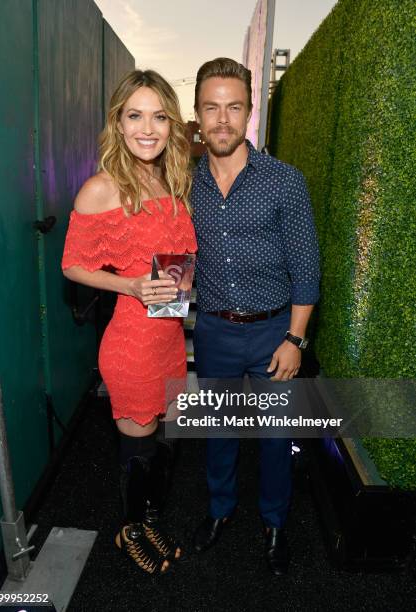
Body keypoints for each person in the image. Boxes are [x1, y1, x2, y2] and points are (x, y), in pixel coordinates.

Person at [61, 70, 197, 575]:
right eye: (135, 115)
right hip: (131, 342)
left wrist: (179, 285)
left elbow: (174, 255)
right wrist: (131, 286)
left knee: (163, 444)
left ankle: (150, 516)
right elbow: (73, 264)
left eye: (159, 116)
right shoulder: (102, 187)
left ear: (171, 125)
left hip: (167, 335)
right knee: (137, 451)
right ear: (118, 122)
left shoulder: (168, 180)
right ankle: (129, 531)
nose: (148, 128)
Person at [191, 58, 320, 575]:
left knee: (273, 439)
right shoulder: (186, 185)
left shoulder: (284, 181)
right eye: (211, 107)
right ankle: (220, 512)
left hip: (274, 332)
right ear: (197, 114)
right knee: (218, 433)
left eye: (234, 107)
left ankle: (274, 524)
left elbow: (307, 269)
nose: (222, 119)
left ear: (250, 114)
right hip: (215, 330)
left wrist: (295, 338)